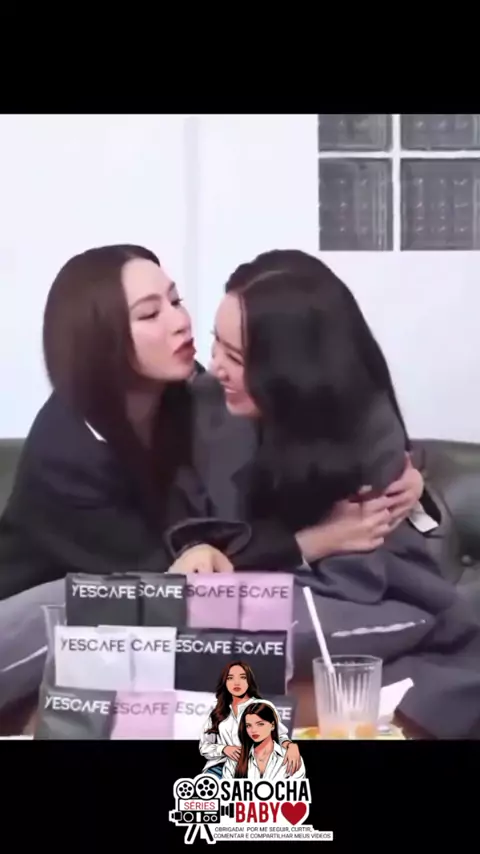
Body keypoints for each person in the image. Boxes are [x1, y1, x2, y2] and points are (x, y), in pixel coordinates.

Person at [187, 248, 480, 739]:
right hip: (268, 595)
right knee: (188, 632)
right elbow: (211, 543)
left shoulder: (364, 431)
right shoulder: (212, 408)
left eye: (235, 358)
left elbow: (356, 586)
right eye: (216, 342)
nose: (216, 366)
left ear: (290, 366)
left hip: (369, 596)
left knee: (219, 640)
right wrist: (303, 544)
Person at [199, 661, 301, 778]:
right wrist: (224, 749)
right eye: (230, 678)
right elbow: (204, 746)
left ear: (249, 681)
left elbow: (280, 736)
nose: (236, 682)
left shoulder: (262, 705)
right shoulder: (217, 712)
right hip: (219, 768)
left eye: (242, 677)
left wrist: (291, 746)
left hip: (252, 768)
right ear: (225, 682)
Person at [222, 701, 306, 781]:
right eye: (248, 725)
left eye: (260, 724)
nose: (253, 730)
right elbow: (227, 788)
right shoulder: (236, 758)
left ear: (272, 725)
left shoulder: (290, 757)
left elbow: (296, 788)